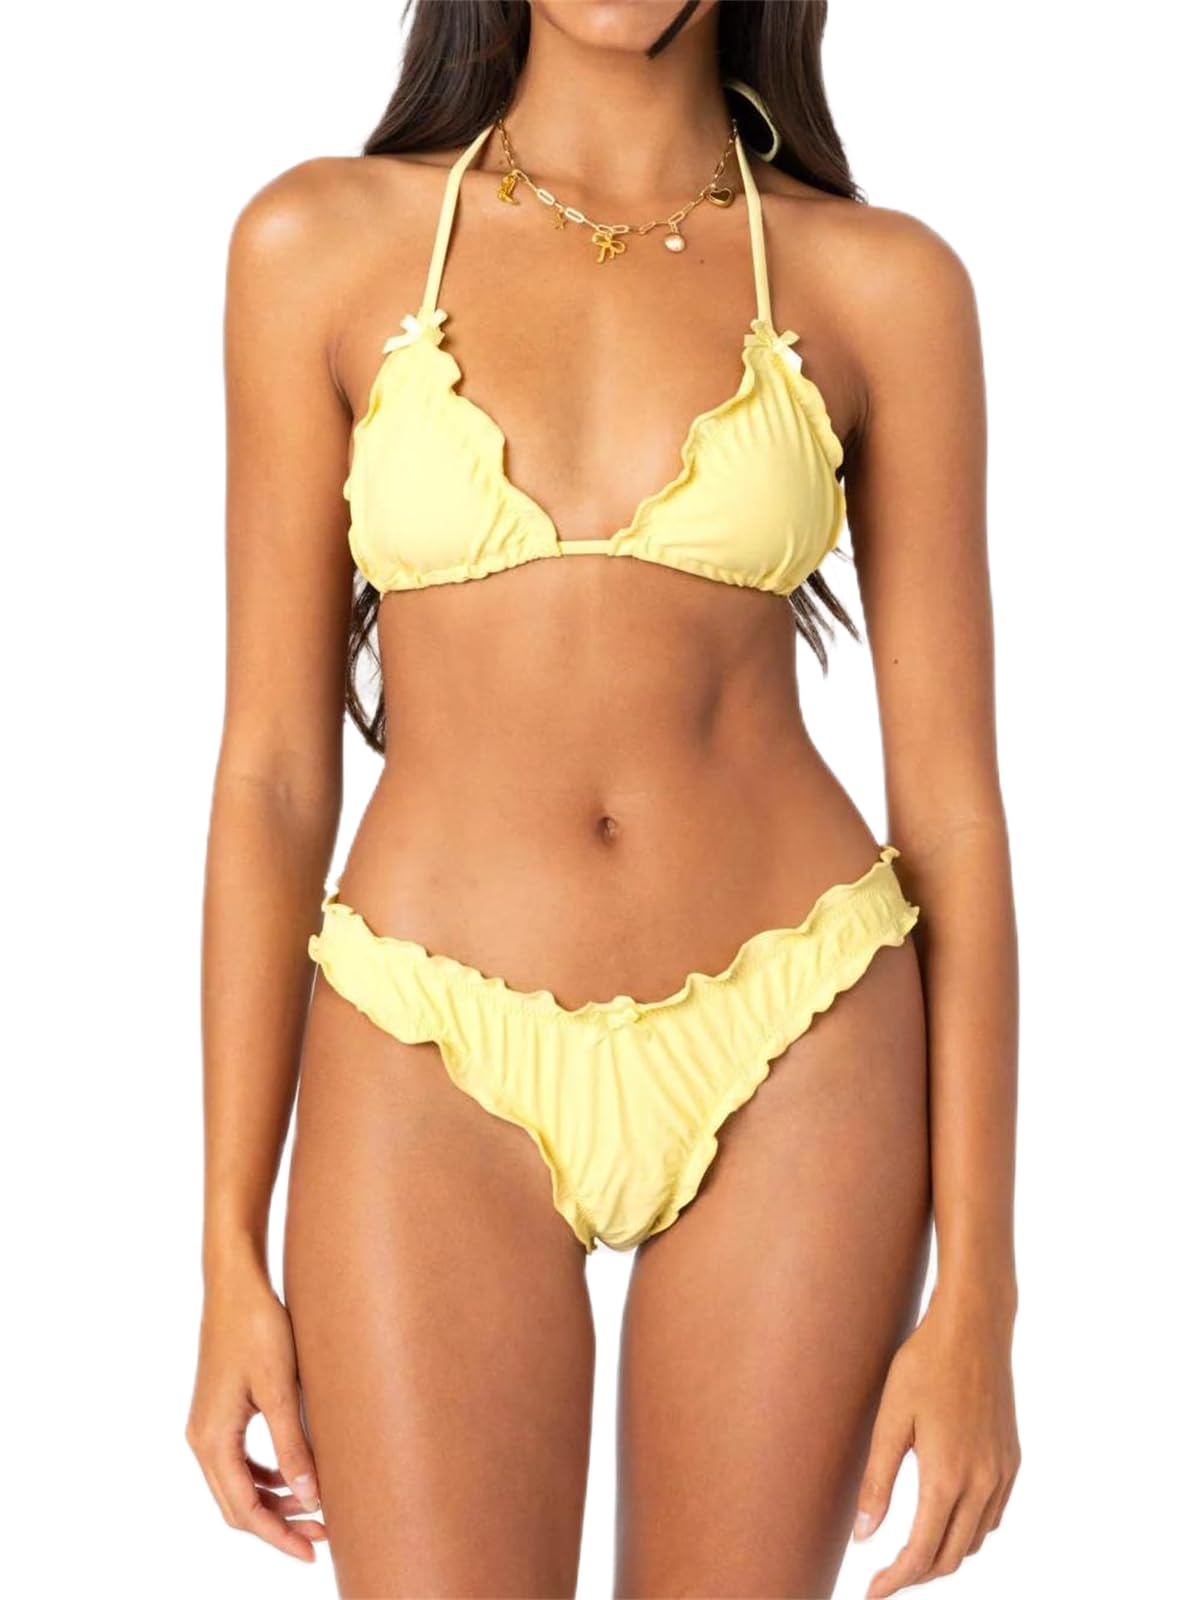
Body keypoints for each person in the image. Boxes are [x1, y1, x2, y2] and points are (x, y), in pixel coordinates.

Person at [186, 2, 1020, 1595]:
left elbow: (957, 816)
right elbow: (272, 773)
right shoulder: (316, 247)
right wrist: (227, 1243)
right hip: (426, 1046)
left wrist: (981, 1290)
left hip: (799, 1039)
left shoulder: (882, 284)